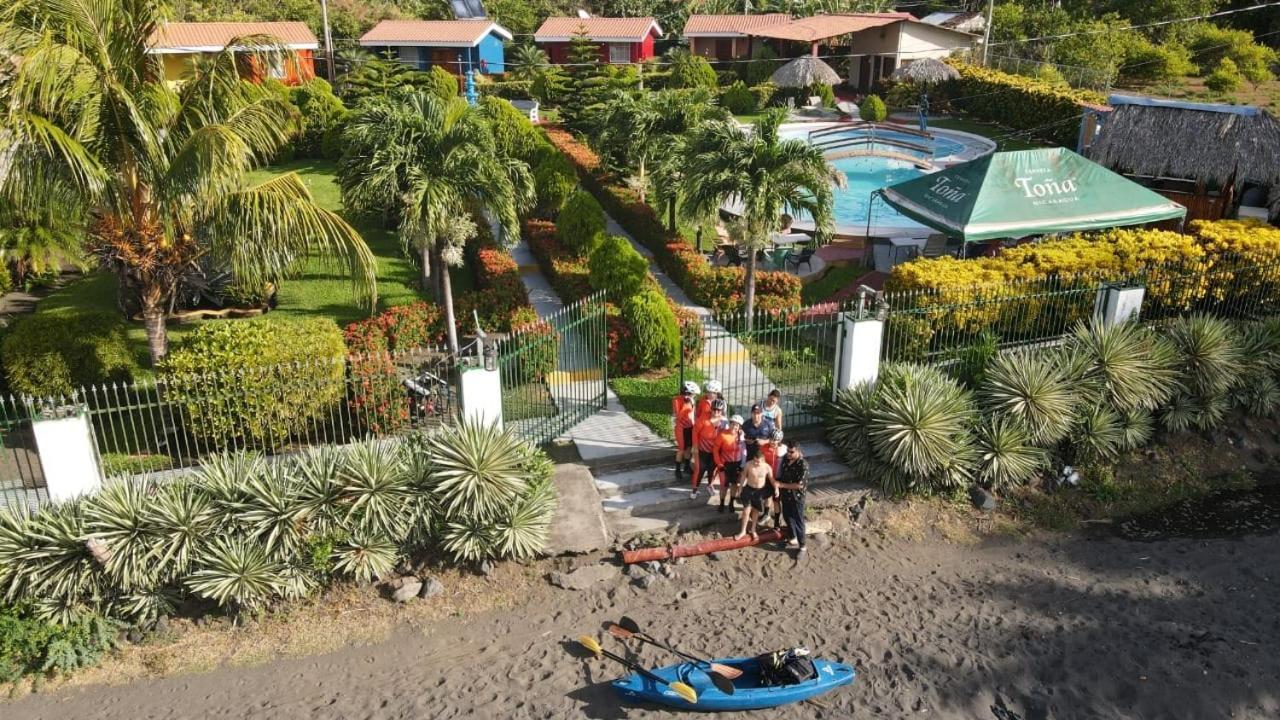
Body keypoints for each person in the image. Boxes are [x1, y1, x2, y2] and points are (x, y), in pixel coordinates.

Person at [734, 451, 776, 541]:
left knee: (756, 511)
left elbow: (772, 479)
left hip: (759, 491)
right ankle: (743, 531)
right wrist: (740, 487)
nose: (756, 463)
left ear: (763, 461)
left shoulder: (767, 467)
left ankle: (753, 529)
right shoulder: (749, 464)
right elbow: (743, 476)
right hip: (749, 489)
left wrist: (776, 489)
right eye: (754, 461)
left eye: (758, 462)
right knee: (746, 511)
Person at [776, 442, 810, 553]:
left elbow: (799, 485)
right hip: (786, 495)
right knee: (787, 517)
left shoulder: (803, 465)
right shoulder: (786, 460)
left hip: (797, 497)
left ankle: (803, 546)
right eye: (788, 451)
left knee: (798, 521)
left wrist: (781, 485)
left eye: (791, 452)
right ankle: (792, 538)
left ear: (798, 452)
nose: (789, 454)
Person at [690, 399, 727, 499]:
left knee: (712, 469)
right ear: (711, 409)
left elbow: (728, 433)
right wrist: (695, 446)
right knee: (700, 469)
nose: (716, 412)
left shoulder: (724, 421)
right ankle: (694, 489)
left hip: (715, 451)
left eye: (718, 410)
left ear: (722, 411)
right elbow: (695, 432)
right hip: (702, 449)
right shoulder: (703, 418)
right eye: (714, 409)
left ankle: (709, 485)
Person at [713, 414, 746, 512]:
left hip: (737, 463)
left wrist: (742, 465)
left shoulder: (741, 436)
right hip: (725, 464)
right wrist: (719, 464)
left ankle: (731, 502)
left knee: (734, 484)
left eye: (737, 425)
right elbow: (715, 451)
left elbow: (744, 451)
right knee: (724, 485)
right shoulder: (722, 435)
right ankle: (722, 503)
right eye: (732, 424)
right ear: (729, 424)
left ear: (739, 426)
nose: (734, 426)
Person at [671, 381, 698, 481]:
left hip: (690, 426)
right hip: (681, 428)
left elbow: (693, 415)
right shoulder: (677, 400)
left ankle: (686, 466)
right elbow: (679, 415)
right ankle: (677, 469)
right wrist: (687, 404)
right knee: (681, 449)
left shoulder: (691, 401)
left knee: (688, 447)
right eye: (693, 394)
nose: (694, 396)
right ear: (688, 393)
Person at [758, 429, 785, 527]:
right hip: (767, 477)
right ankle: (766, 514)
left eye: (775, 440)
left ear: (780, 440)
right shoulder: (764, 448)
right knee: (767, 497)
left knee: (776, 500)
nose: (772, 442)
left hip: (778, 478)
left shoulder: (783, 450)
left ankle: (777, 520)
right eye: (771, 439)